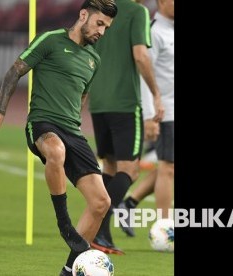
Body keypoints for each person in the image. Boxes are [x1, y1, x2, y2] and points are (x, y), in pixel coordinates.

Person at [0, 1, 118, 275]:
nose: (102, 31)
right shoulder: (50, 40)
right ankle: (64, 224)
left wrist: (75, 123)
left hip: (73, 130)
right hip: (42, 123)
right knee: (55, 151)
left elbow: (82, 95)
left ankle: (68, 270)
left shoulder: (95, 59)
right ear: (83, 15)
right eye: (99, 23)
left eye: (106, 27)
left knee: (101, 202)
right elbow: (15, 70)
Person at [87, 0, 165, 255]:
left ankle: (102, 236)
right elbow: (141, 55)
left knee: (109, 166)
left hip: (99, 101)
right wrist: (155, 94)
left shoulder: (102, 10)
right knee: (130, 171)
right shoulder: (137, 12)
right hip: (125, 102)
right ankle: (97, 225)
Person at [119, 0, 175, 237]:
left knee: (171, 167)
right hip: (166, 110)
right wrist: (151, 114)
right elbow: (142, 75)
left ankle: (129, 203)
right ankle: (165, 229)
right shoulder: (153, 31)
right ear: (161, 2)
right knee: (168, 167)